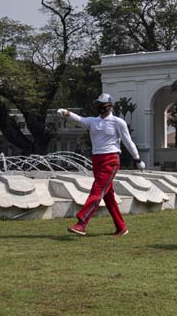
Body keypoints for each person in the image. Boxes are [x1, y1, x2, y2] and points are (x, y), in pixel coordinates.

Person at [58, 93, 145, 236]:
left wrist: (137, 159)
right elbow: (80, 120)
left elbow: (128, 142)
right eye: (98, 105)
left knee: (97, 190)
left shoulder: (118, 122)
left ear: (110, 106)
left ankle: (81, 223)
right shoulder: (93, 121)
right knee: (107, 195)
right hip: (97, 160)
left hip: (111, 159)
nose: (100, 108)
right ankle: (121, 227)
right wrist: (67, 113)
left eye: (103, 105)